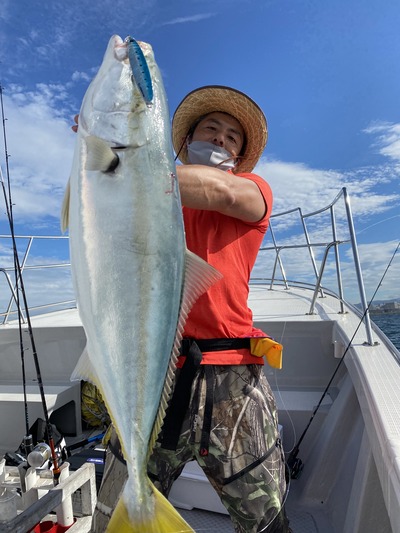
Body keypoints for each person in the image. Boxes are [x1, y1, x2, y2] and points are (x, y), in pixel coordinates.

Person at [89, 85, 290, 532]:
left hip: (231, 375)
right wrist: (102, 152)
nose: (220, 139)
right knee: (114, 513)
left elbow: (220, 192)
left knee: (266, 519)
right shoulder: (136, 194)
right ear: (183, 142)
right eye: (210, 129)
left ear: (239, 156)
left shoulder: (252, 189)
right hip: (153, 372)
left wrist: (112, 163)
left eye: (232, 137)